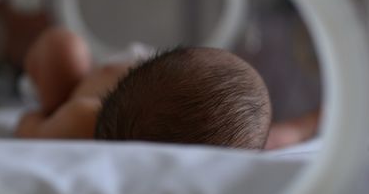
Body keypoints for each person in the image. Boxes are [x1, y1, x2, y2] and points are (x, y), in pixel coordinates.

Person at [15, 27, 273, 150]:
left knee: (63, 46)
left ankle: (51, 104)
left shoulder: (82, 119)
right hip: (114, 75)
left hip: (67, 90)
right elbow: (282, 135)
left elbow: (27, 129)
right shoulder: (237, 136)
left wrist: (42, 118)